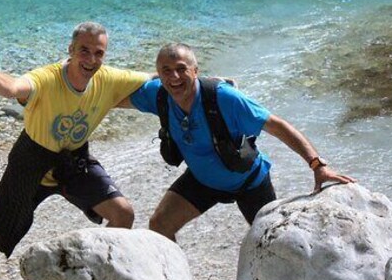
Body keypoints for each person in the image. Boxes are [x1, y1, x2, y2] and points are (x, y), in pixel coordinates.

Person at [0, 22, 150, 266]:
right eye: (84, 50)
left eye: (99, 53)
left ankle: (99, 273)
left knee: (123, 214)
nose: (91, 59)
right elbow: (13, 87)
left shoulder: (108, 78)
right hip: (31, 162)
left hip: (73, 161)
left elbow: (156, 78)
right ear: (71, 49)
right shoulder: (47, 78)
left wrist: (196, 83)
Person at [127, 42, 355, 241]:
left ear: (195, 71)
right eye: (165, 70)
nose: (173, 77)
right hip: (202, 181)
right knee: (159, 225)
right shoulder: (157, 94)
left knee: (271, 240)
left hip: (249, 183)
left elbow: (278, 126)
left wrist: (317, 165)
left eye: (181, 69)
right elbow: (110, 92)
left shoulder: (225, 98)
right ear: (157, 73)